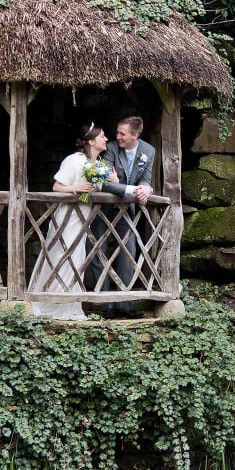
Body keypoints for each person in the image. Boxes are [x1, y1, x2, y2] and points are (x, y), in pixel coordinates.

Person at [27, 123, 119, 321]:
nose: (106, 139)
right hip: (68, 217)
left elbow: (102, 188)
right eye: (102, 136)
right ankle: (52, 304)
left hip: (84, 217)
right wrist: (76, 188)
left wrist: (114, 179)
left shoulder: (98, 163)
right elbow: (57, 187)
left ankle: (69, 305)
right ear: (92, 141)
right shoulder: (74, 160)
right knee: (61, 257)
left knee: (77, 260)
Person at [96, 113, 156, 318]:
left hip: (125, 211)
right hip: (102, 209)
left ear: (135, 136)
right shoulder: (110, 149)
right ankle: (104, 305)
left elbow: (146, 180)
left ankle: (125, 304)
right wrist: (133, 189)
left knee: (128, 252)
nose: (117, 136)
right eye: (117, 133)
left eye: (122, 134)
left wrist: (147, 190)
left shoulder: (148, 151)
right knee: (99, 251)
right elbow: (104, 182)